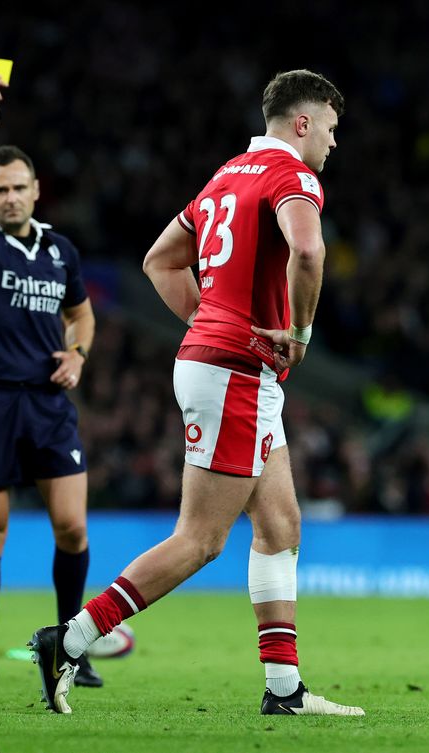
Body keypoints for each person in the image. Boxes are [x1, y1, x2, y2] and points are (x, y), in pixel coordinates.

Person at [29, 69, 365, 717]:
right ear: (301, 123)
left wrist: (207, 322)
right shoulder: (293, 176)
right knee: (202, 538)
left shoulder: (226, 176)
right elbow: (309, 251)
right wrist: (298, 329)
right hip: (236, 372)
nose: (331, 141)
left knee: (279, 522)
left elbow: (160, 258)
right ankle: (69, 638)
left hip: (227, 365)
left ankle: (284, 689)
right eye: (329, 126)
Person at [0, 73, 100, 689]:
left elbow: (81, 313)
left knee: (73, 526)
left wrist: (79, 354)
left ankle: (69, 647)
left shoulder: (61, 250)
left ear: (37, 190)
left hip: (47, 403)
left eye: (17, 188)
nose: (7, 198)